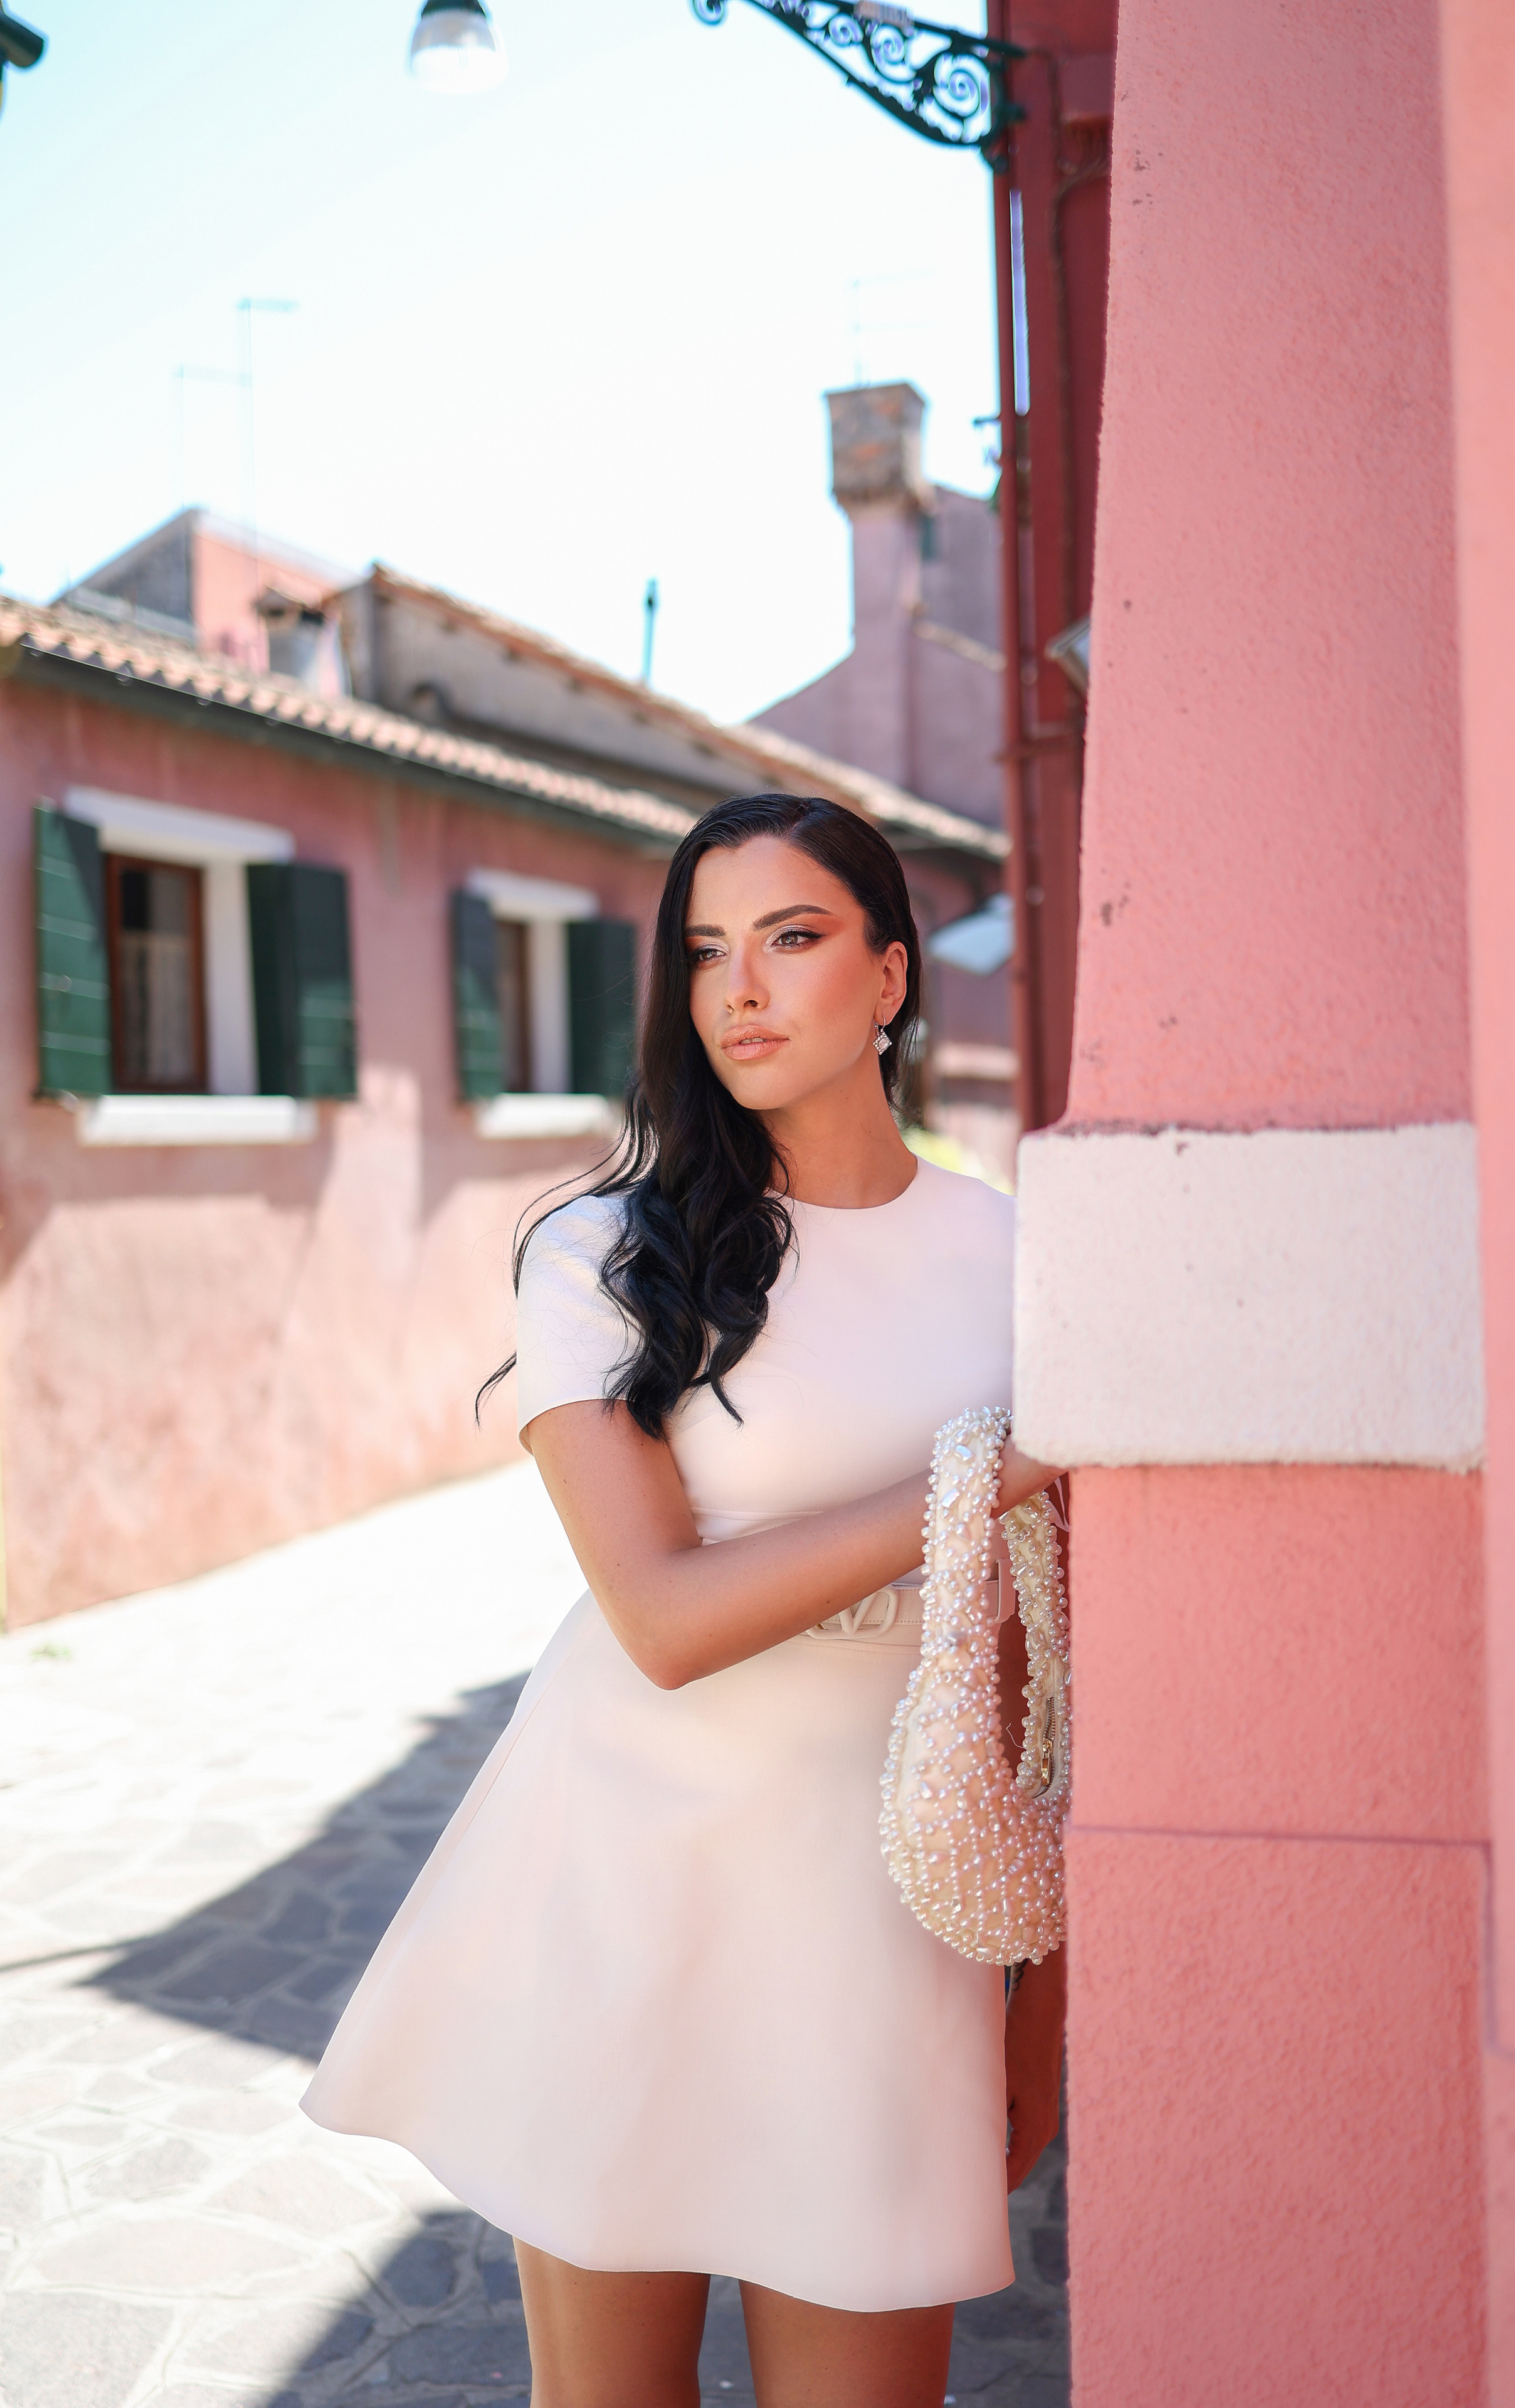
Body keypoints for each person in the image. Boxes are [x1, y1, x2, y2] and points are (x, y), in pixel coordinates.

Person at [302, 793, 1067, 2408]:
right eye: (706, 951)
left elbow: (1028, 1663)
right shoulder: (598, 1255)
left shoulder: (1017, 1258)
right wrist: (977, 1479)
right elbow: (658, 1618)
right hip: (619, 1878)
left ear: (887, 977)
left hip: (880, 1913)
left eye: (791, 940)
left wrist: (1038, 1997)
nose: (739, 989)